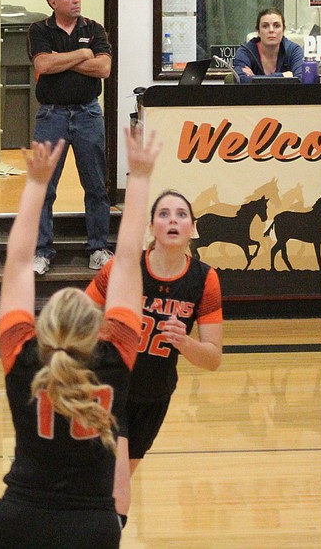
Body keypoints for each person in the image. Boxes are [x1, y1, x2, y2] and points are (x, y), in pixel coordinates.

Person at [0, 127, 159, 549]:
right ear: (97, 329)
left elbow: (20, 261)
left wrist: (36, 183)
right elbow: (130, 260)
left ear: (42, 328)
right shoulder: (114, 359)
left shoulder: (23, 357)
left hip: (19, 520)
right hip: (91, 528)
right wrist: (139, 177)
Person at [86, 189, 223, 529]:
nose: (173, 219)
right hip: (109, 388)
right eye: (163, 214)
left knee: (107, 486)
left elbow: (213, 359)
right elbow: (77, 317)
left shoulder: (205, 280)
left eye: (181, 214)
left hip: (155, 395)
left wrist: (185, 342)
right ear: (151, 227)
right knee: (117, 489)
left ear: (192, 228)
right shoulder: (123, 267)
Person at [28, 0, 113, 276]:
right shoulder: (40, 30)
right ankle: (41, 251)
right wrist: (81, 54)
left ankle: (98, 248)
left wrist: (60, 60)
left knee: (95, 185)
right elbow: (42, 65)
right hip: (52, 117)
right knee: (43, 187)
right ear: (53, 1)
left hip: (89, 115)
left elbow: (103, 68)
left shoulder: (94, 29)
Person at [232, 7, 304, 81]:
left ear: (283, 31)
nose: (271, 30)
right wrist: (283, 75)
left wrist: (255, 78)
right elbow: (240, 79)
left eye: (277, 26)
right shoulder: (245, 52)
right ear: (258, 32)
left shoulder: (294, 51)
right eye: (265, 26)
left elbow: (301, 79)